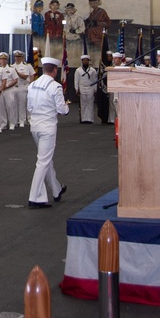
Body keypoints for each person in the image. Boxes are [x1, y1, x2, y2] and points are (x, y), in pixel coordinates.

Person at [26, 57, 68, 208]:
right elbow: (62, 110)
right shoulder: (55, 87)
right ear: (55, 70)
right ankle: (35, 198)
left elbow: (29, 107)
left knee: (46, 159)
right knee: (43, 162)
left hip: (35, 126)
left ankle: (56, 190)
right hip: (47, 128)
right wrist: (67, 107)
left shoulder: (32, 85)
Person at [84, 0, 111, 66]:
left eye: (95, 3)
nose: (93, 4)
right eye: (91, 3)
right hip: (91, 34)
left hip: (98, 34)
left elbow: (108, 23)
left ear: (98, 3)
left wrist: (97, 23)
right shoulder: (92, 13)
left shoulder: (102, 12)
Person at [74, 55, 98, 124]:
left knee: (90, 103)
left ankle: (90, 118)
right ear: (82, 61)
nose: (85, 61)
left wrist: (95, 89)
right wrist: (76, 89)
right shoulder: (78, 70)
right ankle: (84, 118)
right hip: (82, 87)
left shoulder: (93, 70)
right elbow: (76, 80)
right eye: (84, 60)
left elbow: (94, 80)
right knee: (83, 103)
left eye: (86, 60)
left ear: (88, 61)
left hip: (90, 87)